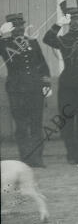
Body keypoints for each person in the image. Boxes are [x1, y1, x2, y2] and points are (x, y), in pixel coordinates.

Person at [43, 7, 78, 165]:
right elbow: (47, 39)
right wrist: (58, 25)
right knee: (67, 120)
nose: (75, 22)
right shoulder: (63, 40)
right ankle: (71, 154)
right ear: (68, 22)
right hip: (67, 84)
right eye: (72, 19)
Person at [0, 13, 51, 167]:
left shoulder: (32, 42)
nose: (19, 28)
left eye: (21, 25)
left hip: (35, 88)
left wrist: (47, 84)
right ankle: (26, 158)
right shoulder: (4, 44)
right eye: (15, 26)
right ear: (10, 28)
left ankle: (37, 158)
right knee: (21, 125)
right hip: (17, 90)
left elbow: (42, 64)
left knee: (36, 123)